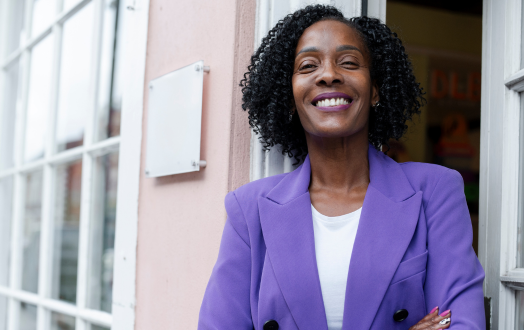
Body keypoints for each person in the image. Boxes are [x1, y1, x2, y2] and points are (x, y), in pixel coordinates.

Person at [199, 5, 485, 330]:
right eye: (308, 65)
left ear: (375, 89)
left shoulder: (435, 191)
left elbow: (463, 324)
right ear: (290, 96)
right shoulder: (248, 211)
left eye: (348, 62)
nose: (329, 74)